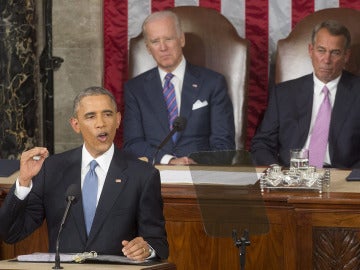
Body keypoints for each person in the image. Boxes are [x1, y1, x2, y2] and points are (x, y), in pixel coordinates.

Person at [0, 86, 169, 261]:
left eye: (108, 114)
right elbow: (11, 234)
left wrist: (146, 249)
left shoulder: (142, 174)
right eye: (90, 116)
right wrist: (24, 181)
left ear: (118, 120)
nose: (101, 123)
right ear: (75, 124)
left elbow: (158, 243)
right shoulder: (52, 169)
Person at [123, 10, 235, 165]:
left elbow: (224, 144)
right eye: (155, 41)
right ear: (148, 48)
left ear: (181, 39)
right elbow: (132, 144)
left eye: (168, 39)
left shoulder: (213, 83)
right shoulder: (135, 89)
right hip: (154, 173)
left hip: (199, 174)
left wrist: (195, 163)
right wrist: (168, 161)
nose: (163, 48)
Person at [251, 20, 360, 169]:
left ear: (346, 56)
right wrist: (276, 171)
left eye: (335, 53)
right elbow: (262, 143)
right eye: (321, 50)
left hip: (343, 177)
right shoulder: (284, 93)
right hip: (291, 174)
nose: (326, 60)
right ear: (311, 50)